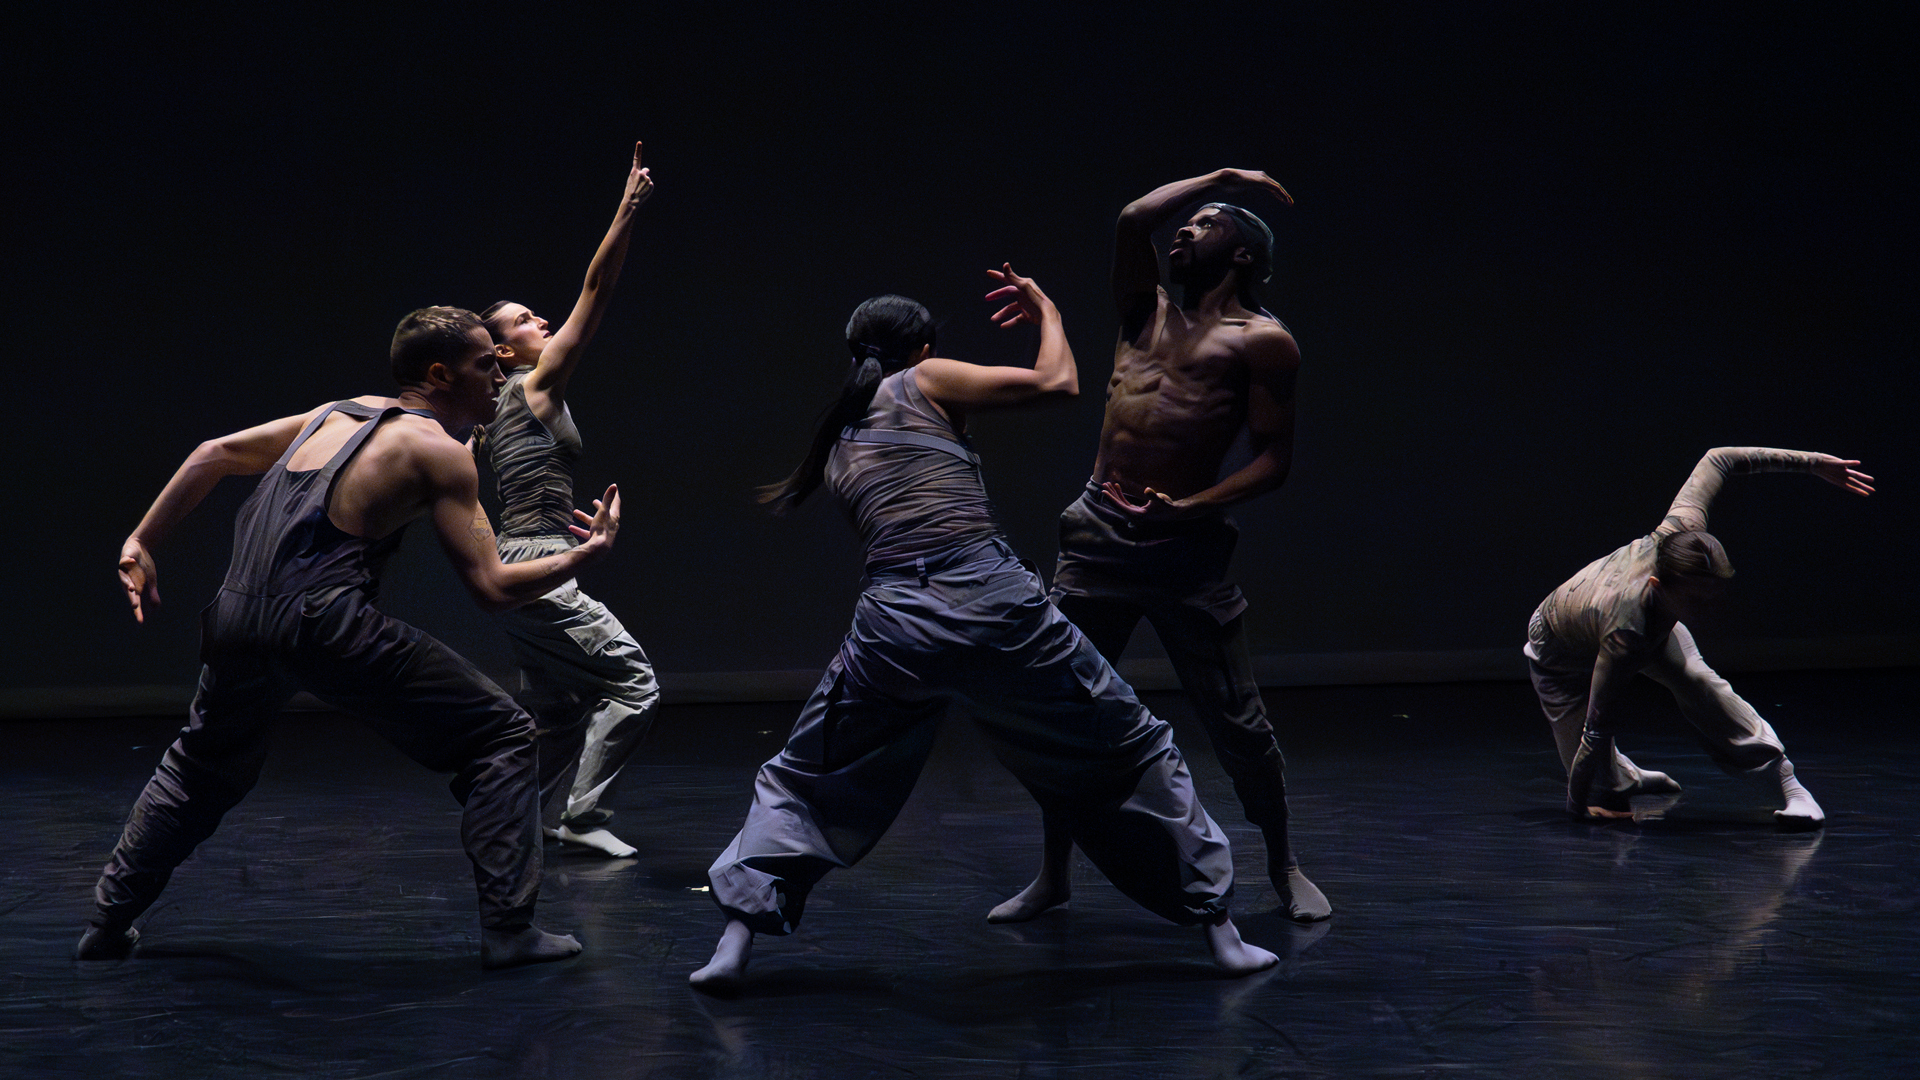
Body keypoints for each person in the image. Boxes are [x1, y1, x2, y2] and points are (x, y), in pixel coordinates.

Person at [689, 267, 1277, 995]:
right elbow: (1057, 384)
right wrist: (1049, 314)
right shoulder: (927, 378)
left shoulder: (839, 439)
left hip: (895, 626)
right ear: (924, 345)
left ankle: (734, 944)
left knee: (806, 779)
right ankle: (1222, 934)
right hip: (993, 607)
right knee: (1134, 749)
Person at [82, 307, 621, 969]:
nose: (500, 372)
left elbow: (212, 455)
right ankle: (510, 931)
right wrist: (583, 555)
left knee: (198, 769)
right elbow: (493, 587)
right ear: (439, 374)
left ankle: (107, 924)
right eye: (487, 364)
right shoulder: (441, 455)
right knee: (505, 736)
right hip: (324, 622)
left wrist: (141, 541)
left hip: (234, 618)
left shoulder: (334, 414)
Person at [992, 169, 1330, 926]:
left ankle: (1283, 863)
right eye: (1188, 221)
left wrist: (1191, 507)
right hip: (1096, 542)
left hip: (1184, 553)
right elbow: (1128, 221)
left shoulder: (1265, 343)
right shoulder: (1142, 311)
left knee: (1239, 726)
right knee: (1063, 715)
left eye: (1208, 223)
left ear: (1243, 255)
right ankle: (1054, 874)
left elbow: (1273, 460)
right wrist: (1222, 179)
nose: (1185, 229)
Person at [1527, 447, 1874, 826]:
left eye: (1715, 597)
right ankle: (1623, 778)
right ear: (1660, 587)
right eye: (1697, 601)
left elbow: (1719, 459)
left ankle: (1790, 786)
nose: (1711, 611)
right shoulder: (1626, 634)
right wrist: (1577, 809)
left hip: (1637, 617)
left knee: (1700, 683)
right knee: (1590, 761)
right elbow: (1596, 731)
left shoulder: (1683, 530)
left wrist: (1812, 464)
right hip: (1558, 646)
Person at [475, 141, 658, 858]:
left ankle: (519, 821)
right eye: (523, 321)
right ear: (503, 354)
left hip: (519, 565)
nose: (541, 322)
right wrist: (627, 208)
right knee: (633, 682)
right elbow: (597, 291)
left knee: (558, 709)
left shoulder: (486, 418)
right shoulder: (534, 385)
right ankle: (581, 816)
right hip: (541, 566)